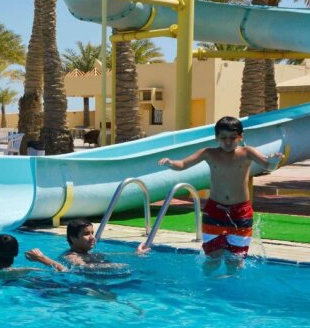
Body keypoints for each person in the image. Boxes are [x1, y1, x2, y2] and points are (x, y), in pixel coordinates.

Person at [158, 116, 283, 274]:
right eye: (223, 138)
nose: (228, 142)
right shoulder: (209, 153)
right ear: (216, 138)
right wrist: (170, 163)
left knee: (235, 261)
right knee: (213, 259)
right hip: (214, 211)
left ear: (240, 137)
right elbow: (183, 164)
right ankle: (208, 286)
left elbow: (268, 165)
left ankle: (231, 288)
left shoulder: (247, 152)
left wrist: (274, 161)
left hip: (241, 213)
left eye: (233, 138)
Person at [62, 219, 148, 270]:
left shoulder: (87, 254)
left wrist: (136, 253)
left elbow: (114, 255)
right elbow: (83, 267)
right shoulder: (71, 256)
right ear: (73, 238)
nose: (92, 237)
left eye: (92, 233)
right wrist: (113, 266)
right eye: (86, 234)